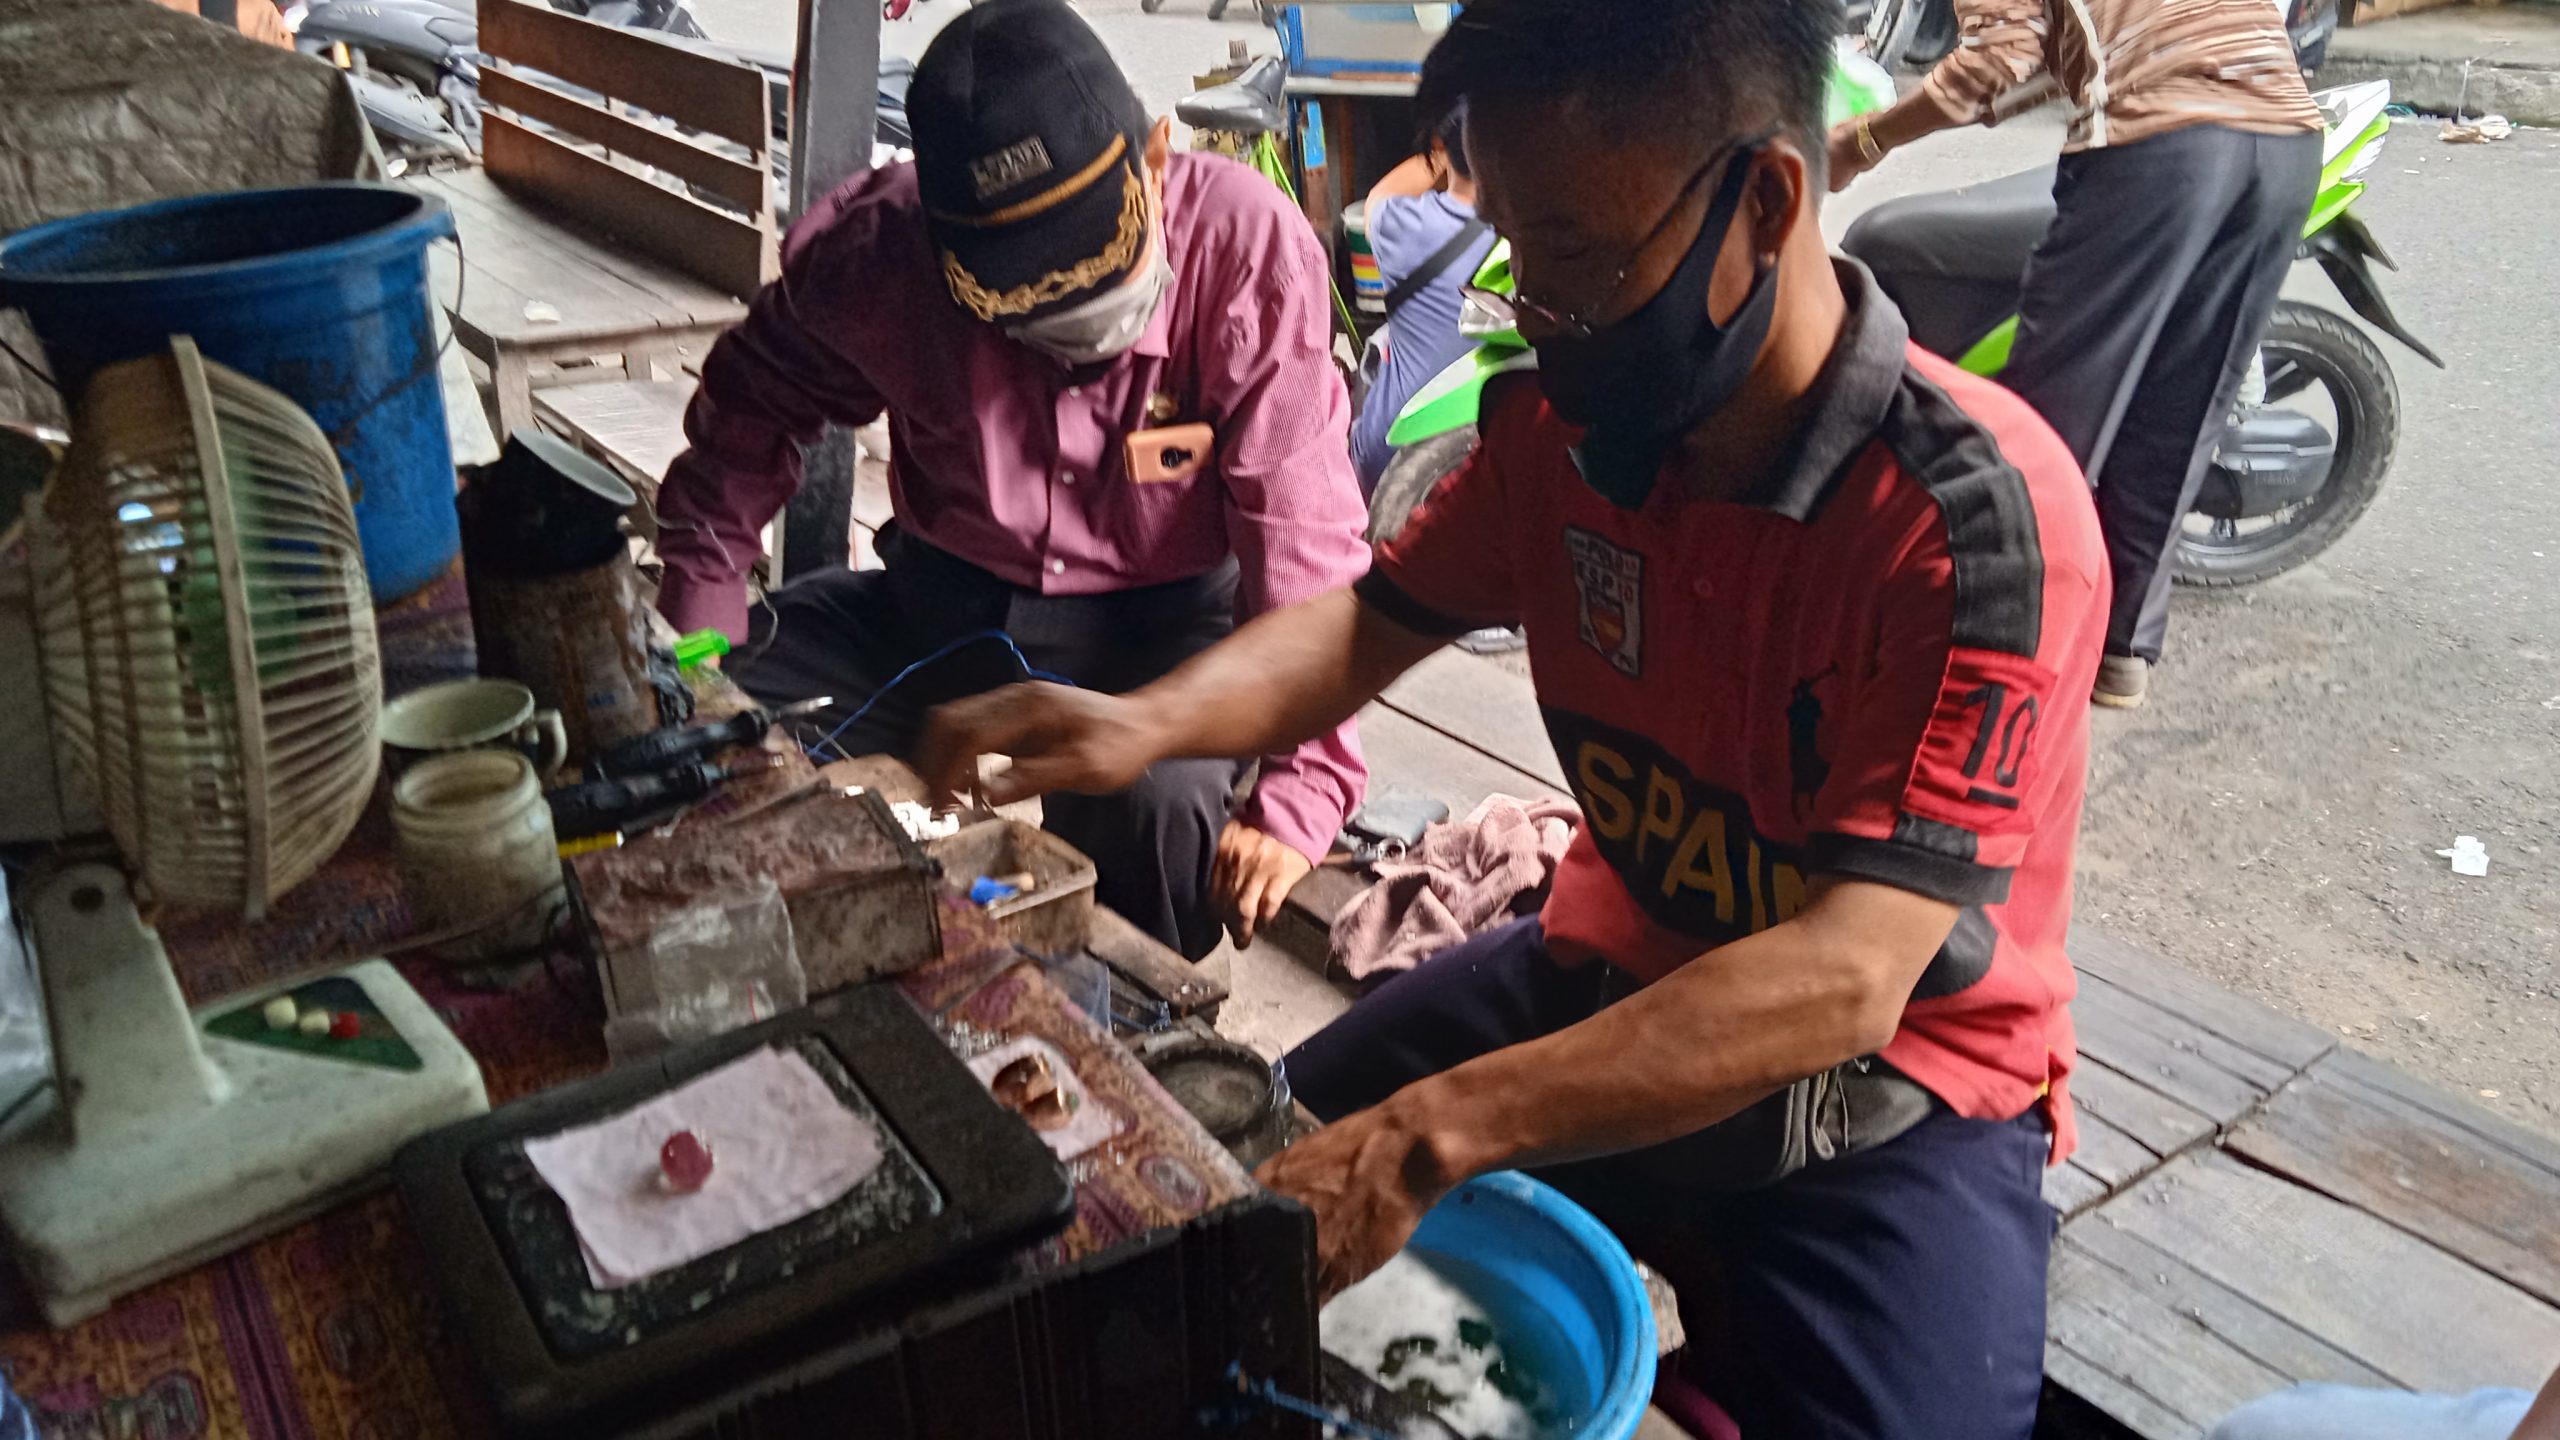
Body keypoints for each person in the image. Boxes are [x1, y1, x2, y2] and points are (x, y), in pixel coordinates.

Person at [921, 1, 2107, 1433]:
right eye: (1517, 260)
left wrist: (1438, 1130)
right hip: (1607, 974)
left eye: (1578, 259)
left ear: (1765, 203)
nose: (1539, 313)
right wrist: (1139, 726)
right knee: (1235, 1188)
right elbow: (1360, 627)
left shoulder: (1968, 526)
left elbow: (1849, 976)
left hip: (1884, 1097)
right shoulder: (1566, 440)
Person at [649, 0, 1369, 960]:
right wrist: (697, 646)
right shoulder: (883, 256)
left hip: (1160, 642)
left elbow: (1305, 550)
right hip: (941, 614)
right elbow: (743, 425)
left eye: (1098, 267)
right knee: (719, 732)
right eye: (1021, 301)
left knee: (1162, 811)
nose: (1070, 322)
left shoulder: (1246, 253)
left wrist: (1300, 791)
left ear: (1156, 157)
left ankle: (1123, 1015)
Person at [1826, 0, 2323, 709]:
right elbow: (2042, 60)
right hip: (2287, 145)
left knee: (2049, 421)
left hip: (2165, 146)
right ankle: (2121, 650)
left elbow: (1998, 59)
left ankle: (1995, 649)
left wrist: (1864, 141)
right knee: (2182, 408)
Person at [1348, 110, 1495, 494]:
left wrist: (1439, 151)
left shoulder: (1395, 221)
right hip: (1485, 462)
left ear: (1441, 146)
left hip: (1386, 462)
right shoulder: (1531, 240)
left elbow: (1379, 195)